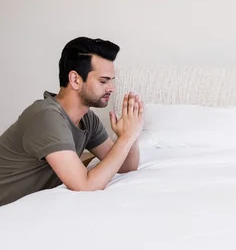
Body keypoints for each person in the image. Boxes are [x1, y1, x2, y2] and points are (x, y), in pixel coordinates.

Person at [0, 37, 144, 207]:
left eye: (111, 80)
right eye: (103, 81)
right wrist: (125, 138)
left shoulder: (87, 119)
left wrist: (131, 134)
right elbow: (85, 186)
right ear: (75, 80)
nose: (112, 87)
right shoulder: (46, 117)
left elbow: (126, 167)